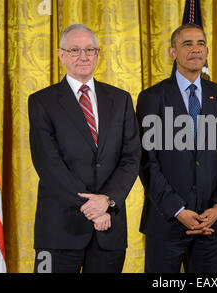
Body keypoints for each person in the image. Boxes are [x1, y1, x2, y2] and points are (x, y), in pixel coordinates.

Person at [28, 24, 141, 273]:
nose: (83, 56)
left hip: (109, 229)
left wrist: (107, 201)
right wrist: (93, 209)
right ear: (61, 54)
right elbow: (49, 164)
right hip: (59, 231)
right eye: (75, 50)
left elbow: (131, 157)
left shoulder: (120, 99)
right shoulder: (41, 101)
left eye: (90, 49)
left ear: (98, 53)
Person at [136, 23, 217, 273]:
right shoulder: (151, 97)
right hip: (166, 223)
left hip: (212, 225)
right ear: (173, 52)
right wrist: (178, 210)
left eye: (201, 43)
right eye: (187, 44)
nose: (196, 49)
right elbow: (147, 163)